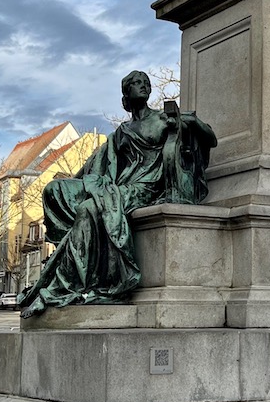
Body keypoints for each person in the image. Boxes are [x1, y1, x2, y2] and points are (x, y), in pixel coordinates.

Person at [18, 72, 216, 318]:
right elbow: (96, 163)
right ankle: (73, 259)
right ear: (126, 93)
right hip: (118, 185)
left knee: (89, 209)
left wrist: (192, 122)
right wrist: (75, 182)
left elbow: (211, 138)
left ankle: (61, 287)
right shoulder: (123, 131)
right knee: (54, 190)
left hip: (145, 188)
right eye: (136, 83)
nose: (143, 86)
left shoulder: (164, 118)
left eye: (146, 83)